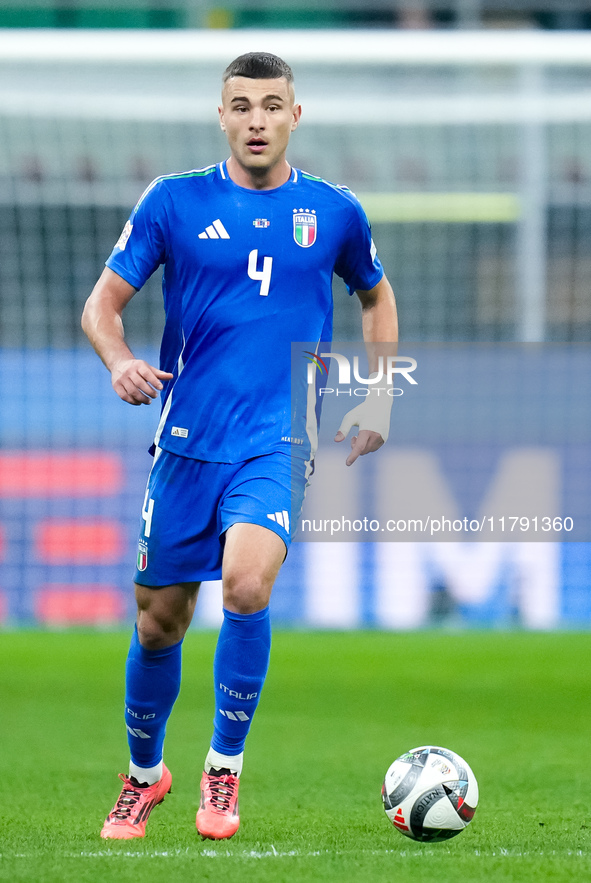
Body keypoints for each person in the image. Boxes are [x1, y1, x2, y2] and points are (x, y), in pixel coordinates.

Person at [81, 51, 398, 842]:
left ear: (297, 114)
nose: (256, 118)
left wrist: (380, 389)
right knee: (159, 622)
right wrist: (120, 360)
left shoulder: (334, 211)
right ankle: (145, 776)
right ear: (219, 115)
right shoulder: (172, 201)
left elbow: (375, 292)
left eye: (271, 104)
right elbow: (101, 306)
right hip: (188, 438)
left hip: (279, 433)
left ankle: (223, 769)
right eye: (241, 105)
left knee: (247, 583)